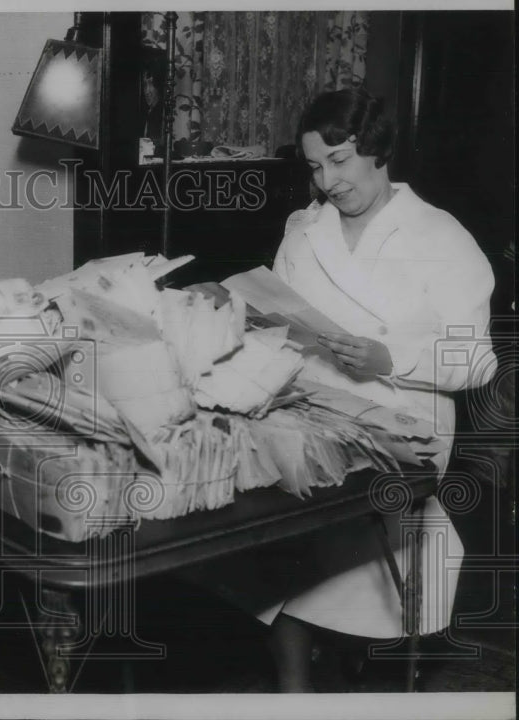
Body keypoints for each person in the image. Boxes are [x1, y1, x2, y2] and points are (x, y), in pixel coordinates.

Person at [259, 88, 498, 691]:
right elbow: (280, 330)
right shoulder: (303, 235)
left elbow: (477, 361)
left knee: (357, 557)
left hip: (407, 418)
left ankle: (371, 676)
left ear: (376, 149)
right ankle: (294, 691)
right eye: (314, 167)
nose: (327, 182)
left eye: (338, 161)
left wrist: (392, 358)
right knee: (259, 525)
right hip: (314, 408)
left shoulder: (439, 237)